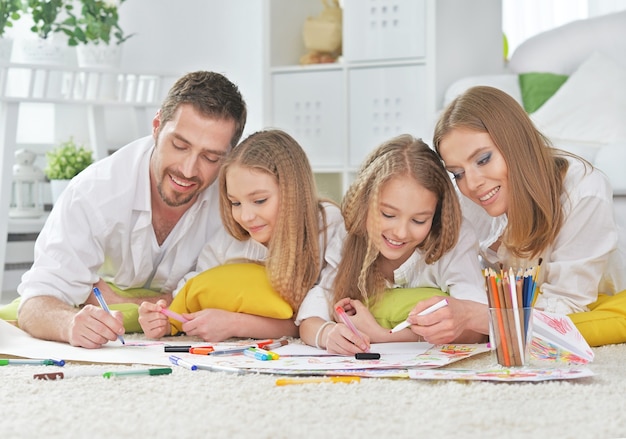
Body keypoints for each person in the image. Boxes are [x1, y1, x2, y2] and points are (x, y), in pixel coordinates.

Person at [16, 71, 247, 348]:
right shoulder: (93, 193)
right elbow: (35, 301)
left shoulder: (236, 201)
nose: (188, 170)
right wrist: (69, 324)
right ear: (157, 126)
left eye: (210, 157)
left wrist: (121, 301)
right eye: (179, 145)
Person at [433, 85, 626, 346]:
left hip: (594, 304)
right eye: (457, 172)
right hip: (519, 306)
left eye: (483, 159)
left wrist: (481, 318)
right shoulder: (467, 200)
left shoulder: (584, 191)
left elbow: (566, 306)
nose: (472, 183)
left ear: (516, 141)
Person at [138, 129, 346, 342]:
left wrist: (234, 323)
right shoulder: (230, 241)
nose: (245, 217)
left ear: (293, 192)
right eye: (235, 203)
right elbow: (196, 292)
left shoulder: (327, 225)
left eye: (259, 201)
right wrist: (164, 320)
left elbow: (318, 312)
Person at [300, 135, 489, 354]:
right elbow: (311, 314)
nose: (400, 232)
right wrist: (326, 334)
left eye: (419, 220)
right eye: (388, 214)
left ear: (437, 216)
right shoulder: (349, 234)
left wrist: (382, 336)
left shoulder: (454, 237)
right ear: (365, 203)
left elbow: (475, 327)